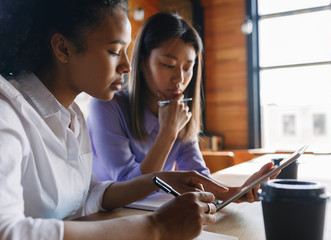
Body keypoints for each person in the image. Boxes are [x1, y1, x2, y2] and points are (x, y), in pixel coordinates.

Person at [0, 0, 276, 239]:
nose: (126, 66)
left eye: (126, 51)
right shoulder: (7, 114)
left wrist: (159, 179)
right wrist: (155, 227)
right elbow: (7, 232)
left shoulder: (71, 115)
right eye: (113, 51)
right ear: (63, 48)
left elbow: (86, 195)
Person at [86, 12, 211, 182]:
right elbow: (127, 184)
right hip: (114, 209)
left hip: (158, 207)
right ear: (143, 62)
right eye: (169, 65)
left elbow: (198, 176)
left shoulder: (179, 113)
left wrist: (236, 191)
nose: (180, 79)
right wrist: (168, 133)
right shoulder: (106, 106)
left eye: (188, 68)